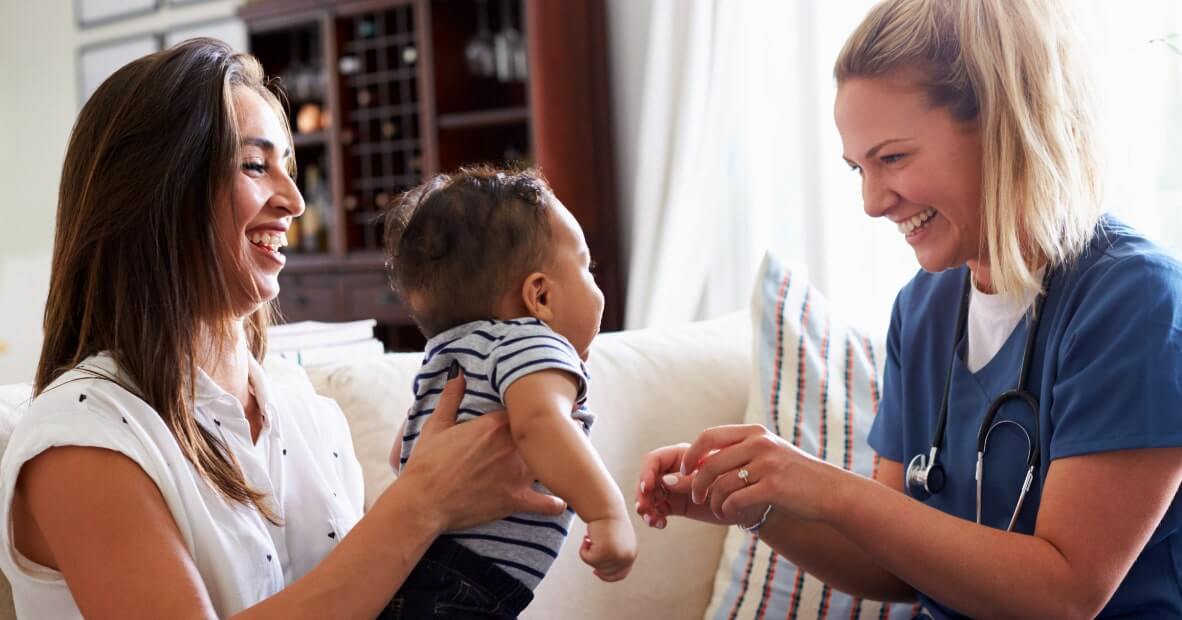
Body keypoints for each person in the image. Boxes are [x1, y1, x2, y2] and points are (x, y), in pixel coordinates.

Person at [636, 0, 1182, 617]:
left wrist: (823, 485)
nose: (871, 202)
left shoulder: (1135, 301)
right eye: (857, 169)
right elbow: (894, 567)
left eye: (892, 158)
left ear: (1004, 125)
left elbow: (1065, 594)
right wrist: (757, 504)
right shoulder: (923, 310)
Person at [0, 38, 565, 619]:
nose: (294, 200)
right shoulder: (80, 437)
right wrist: (422, 502)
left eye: (288, 169)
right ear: (153, 192)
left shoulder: (304, 411)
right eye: (254, 165)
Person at [380, 167, 636, 618]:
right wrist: (607, 513)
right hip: (466, 583)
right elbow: (539, 424)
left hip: (411, 568)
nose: (595, 285)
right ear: (540, 298)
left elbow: (402, 451)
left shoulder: (450, 353)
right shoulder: (532, 340)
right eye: (587, 268)